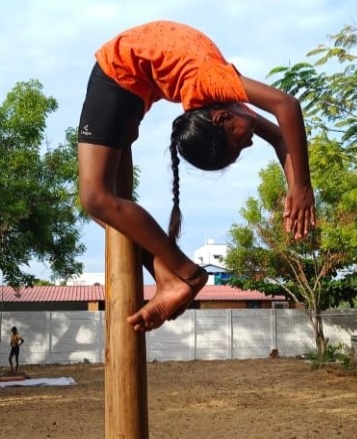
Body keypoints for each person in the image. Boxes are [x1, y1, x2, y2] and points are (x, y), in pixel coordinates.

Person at [78, 21, 316, 333]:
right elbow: (286, 104)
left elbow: (281, 136)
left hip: (128, 86)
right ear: (222, 119)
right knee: (102, 202)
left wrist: (295, 189)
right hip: (119, 70)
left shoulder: (223, 101)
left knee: (104, 203)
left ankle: (176, 276)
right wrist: (302, 187)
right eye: (239, 145)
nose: (248, 143)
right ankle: (178, 276)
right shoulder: (213, 84)